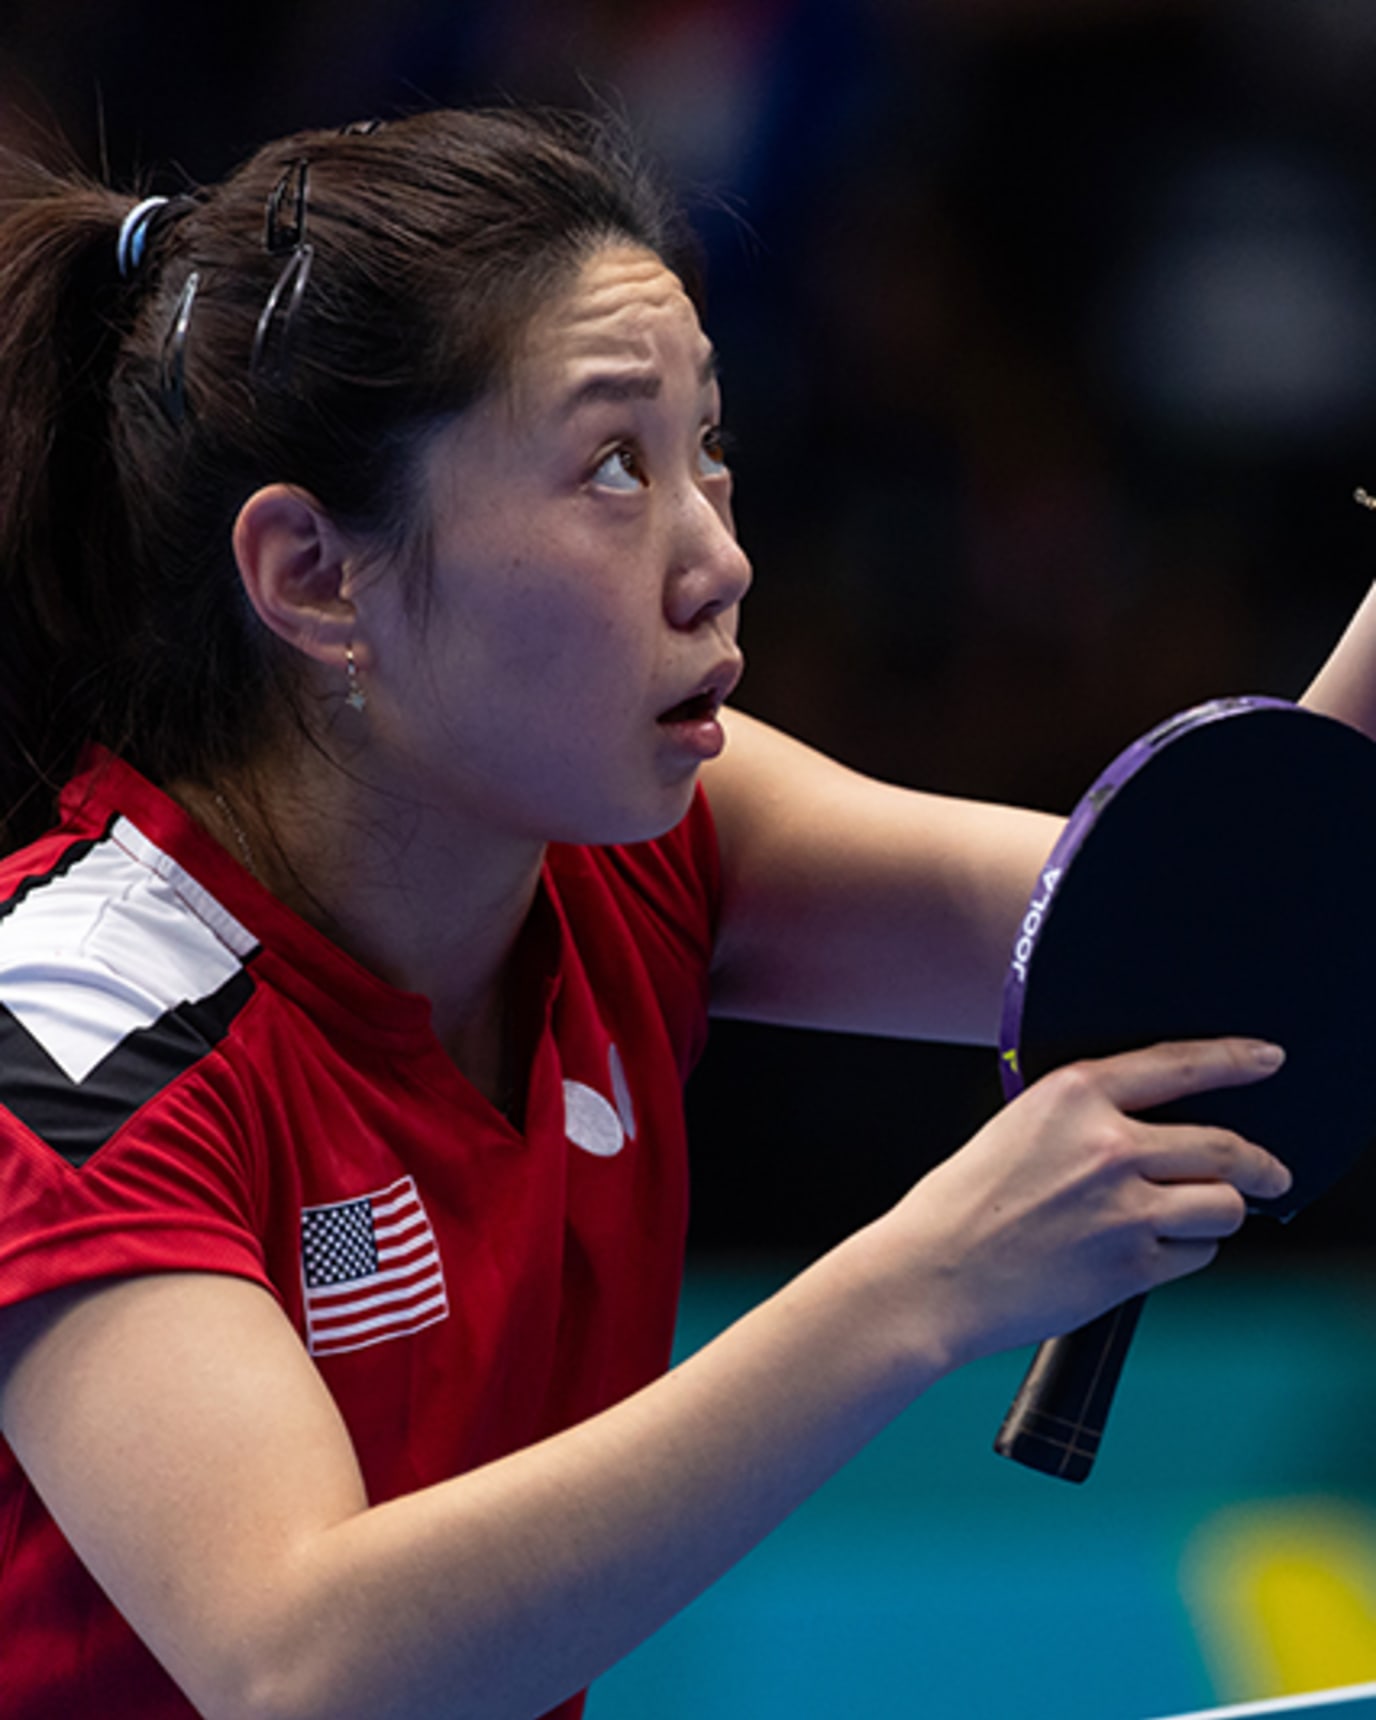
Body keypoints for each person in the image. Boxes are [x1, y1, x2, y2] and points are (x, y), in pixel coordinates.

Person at [0, 107, 1309, 1720]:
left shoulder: (634, 840)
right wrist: (927, 1284)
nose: (720, 558)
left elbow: (1245, 940)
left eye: (709, 450)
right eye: (614, 464)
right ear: (315, 576)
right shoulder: (72, 1027)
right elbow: (300, 1667)